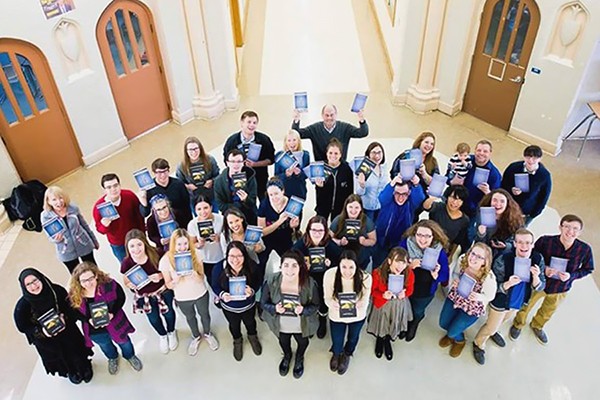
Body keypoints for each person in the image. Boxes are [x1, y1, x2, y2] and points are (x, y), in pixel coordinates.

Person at [510, 214, 594, 344]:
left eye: (575, 229)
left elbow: (588, 269)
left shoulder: (584, 249)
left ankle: (537, 325)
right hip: (539, 283)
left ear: (580, 232)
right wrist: (544, 269)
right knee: (526, 305)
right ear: (560, 227)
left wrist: (571, 276)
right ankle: (518, 324)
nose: (570, 232)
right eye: (567, 227)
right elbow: (531, 256)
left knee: (548, 310)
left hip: (561, 288)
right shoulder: (545, 241)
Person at [472, 228, 545, 365]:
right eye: (520, 242)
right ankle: (479, 343)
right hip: (501, 300)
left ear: (533, 244)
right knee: (491, 326)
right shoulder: (503, 259)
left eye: (528, 243)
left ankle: (492, 333)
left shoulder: (537, 259)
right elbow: (491, 285)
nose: (524, 246)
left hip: (519, 301)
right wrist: (507, 284)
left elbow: (541, 286)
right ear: (515, 244)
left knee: (505, 320)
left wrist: (536, 277)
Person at [14, 268, 93, 384]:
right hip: (47, 340)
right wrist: (42, 332)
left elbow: (70, 307)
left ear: (41, 278)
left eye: (35, 280)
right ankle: (71, 372)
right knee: (61, 357)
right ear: (24, 287)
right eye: (28, 284)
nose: (34, 286)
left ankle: (85, 367)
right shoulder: (23, 306)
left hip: (67, 331)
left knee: (76, 350)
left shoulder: (56, 291)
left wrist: (68, 317)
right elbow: (23, 327)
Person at [69, 262, 142, 374]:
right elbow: (74, 312)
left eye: (91, 278)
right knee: (105, 346)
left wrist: (112, 313)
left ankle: (130, 356)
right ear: (78, 281)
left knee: (124, 342)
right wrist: (87, 320)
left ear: (96, 275)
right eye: (84, 281)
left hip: (115, 323)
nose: (88, 283)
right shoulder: (75, 294)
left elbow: (121, 298)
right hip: (95, 330)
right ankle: (112, 358)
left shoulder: (109, 284)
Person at [159, 229, 219, 356]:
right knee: (190, 317)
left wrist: (195, 275)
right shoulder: (165, 260)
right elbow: (168, 285)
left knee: (205, 315)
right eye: (179, 244)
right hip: (182, 297)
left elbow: (202, 277)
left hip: (200, 293)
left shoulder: (197, 254)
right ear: (173, 244)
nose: (182, 248)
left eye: (185, 244)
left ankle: (208, 333)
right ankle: (196, 336)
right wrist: (175, 281)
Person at [260, 250, 320, 378]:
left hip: (301, 325)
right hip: (280, 324)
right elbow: (263, 303)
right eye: (286, 265)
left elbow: (315, 305)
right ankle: (287, 356)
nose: (289, 270)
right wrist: (274, 308)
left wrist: (304, 310)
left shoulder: (309, 283)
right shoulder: (271, 281)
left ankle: (299, 358)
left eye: (294, 265)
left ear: (300, 267)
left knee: (303, 343)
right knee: (283, 342)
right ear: (281, 267)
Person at [120, 229, 178, 354]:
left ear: (145, 243)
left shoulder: (157, 253)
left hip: (163, 291)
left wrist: (160, 276)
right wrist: (131, 285)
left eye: (139, 244)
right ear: (127, 247)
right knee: (153, 318)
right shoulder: (126, 263)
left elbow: (171, 269)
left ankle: (172, 331)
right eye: (132, 246)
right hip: (145, 296)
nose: (136, 249)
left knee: (169, 313)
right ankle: (162, 335)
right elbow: (125, 280)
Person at [438, 243, 496, 358]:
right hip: (456, 297)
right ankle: (452, 334)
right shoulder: (462, 260)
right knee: (443, 322)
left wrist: (479, 297)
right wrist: (455, 280)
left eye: (479, 257)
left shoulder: (488, 278)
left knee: (454, 330)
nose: (473, 258)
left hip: (472, 307)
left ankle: (458, 340)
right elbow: (454, 273)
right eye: (473, 253)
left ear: (485, 262)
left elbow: (490, 296)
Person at [211, 241, 263, 361]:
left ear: (244, 255)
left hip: (247, 306)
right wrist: (222, 294)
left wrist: (252, 291)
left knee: (250, 322)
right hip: (229, 307)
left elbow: (258, 282)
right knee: (234, 325)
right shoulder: (219, 267)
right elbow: (214, 285)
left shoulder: (252, 266)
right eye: (232, 256)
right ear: (227, 256)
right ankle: (237, 341)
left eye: (239, 256)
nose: (235, 260)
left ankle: (252, 337)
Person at [399, 220, 450, 341]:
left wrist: (436, 275)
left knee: (417, 311)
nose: (423, 239)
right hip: (406, 287)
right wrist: (409, 266)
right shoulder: (405, 245)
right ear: (414, 234)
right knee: (405, 308)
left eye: (427, 236)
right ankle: (403, 325)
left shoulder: (439, 251)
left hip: (425, 291)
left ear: (433, 237)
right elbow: (393, 265)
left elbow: (445, 275)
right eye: (419, 235)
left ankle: (414, 324)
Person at [323, 250, 372, 375]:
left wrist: (360, 305)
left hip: (357, 316)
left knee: (353, 337)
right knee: (337, 338)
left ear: (356, 266)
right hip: (337, 315)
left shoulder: (365, 277)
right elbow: (327, 298)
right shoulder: (330, 275)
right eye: (343, 267)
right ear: (339, 265)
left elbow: (365, 301)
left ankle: (347, 354)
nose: (347, 271)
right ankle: (336, 353)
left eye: (351, 267)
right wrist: (332, 304)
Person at [293, 216, 342, 339]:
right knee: (308, 300)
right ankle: (310, 321)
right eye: (313, 230)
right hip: (307, 278)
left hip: (324, 278)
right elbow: (291, 258)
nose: (317, 233)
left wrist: (330, 264)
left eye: (320, 230)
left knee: (322, 300)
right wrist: (302, 265)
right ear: (308, 230)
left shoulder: (330, 245)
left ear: (325, 231)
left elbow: (341, 262)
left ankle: (322, 319)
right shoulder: (302, 244)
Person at [367, 247, 414, 360]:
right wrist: (382, 295)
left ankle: (387, 340)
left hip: (398, 304)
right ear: (389, 261)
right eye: (397, 261)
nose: (400, 266)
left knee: (393, 322)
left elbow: (410, 288)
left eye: (403, 263)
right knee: (381, 322)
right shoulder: (377, 273)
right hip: (382, 304)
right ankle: (380, 339)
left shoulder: (409, 273)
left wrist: (405, 293)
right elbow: (372, 291)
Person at [41, 186, 98, 274]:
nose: (59, 202)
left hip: (84, 244)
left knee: (93, 271)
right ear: (48, 201)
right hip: (66, 251)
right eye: (54, 199)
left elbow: (84, 225)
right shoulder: (45, 216)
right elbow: (49, 236)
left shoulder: (73, 208)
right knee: (76, 275)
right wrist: (56, 240)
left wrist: (94, 241)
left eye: (61, 198)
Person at [372, 175, 425, 267]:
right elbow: (382, 198)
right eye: (397, 193)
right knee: (378, 265)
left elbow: (420, 198)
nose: (400, 198)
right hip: (382, 241)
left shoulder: (411, 203)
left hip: (400, 242)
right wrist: (392, 184)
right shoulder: (387, 202)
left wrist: (417, 184)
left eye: (404, 194)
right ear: (393, 192)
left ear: (409, 193)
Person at [223, 111, 275, 201]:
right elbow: (226, 160)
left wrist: (255, 164)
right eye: (249, 122)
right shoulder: (232, 141)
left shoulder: (264, 139)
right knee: (245, 203)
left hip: (260, 178)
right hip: (240, 179)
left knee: (264, 201)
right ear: (242, 123)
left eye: (254, 123)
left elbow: (271, 159)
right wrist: (238, 165)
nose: (252, 125)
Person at [93, 173, 145, 263]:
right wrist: (104, 225)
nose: (113, 189)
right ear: (104, 190)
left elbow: (139, 216)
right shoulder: (99, 207)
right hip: (119, 244)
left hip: (136, 237)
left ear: (119, 185)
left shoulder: (130, 196)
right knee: (129, 268)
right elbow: (100, 229)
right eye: (109, 187)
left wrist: (142, 234)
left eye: (115, 185)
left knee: (145, 261)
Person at [292, 104, 368, 162]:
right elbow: (297, 134)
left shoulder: (345, 128)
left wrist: (361, 119)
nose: (329, 118)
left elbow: (363, 133)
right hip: (321, 170)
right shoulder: (314, 129)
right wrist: (296, 120)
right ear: (322, 115)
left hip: (341, 168)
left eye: (332, 115)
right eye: (326, 115)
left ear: (336, 114)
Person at [451, 140, 501, 224]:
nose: (481, 153)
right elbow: (448, 178)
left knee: (465, 234)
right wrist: (454, 179)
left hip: (472, 211)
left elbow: (496, 197)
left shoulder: (494, 174)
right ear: (474, 151)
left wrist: (488, 192)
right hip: (453, 203)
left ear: (490, 153)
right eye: (479, 150)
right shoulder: (464, 160)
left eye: (485, 151)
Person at [501, 145, 552, 226]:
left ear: (540, 159)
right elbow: (503, 185)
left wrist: (533, 215)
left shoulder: (544, 175)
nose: (531, 160)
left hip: (526, 213)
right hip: (508, 208)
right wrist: (511, 189)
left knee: (518, 232)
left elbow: (544, 197)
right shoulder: (513, 167)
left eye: (534, 158)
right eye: (528, 157)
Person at [258, 178, 300, 266]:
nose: (274, 197)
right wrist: (280, 221)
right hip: (268, 238)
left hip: (285, 237)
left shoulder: (293, 204)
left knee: (292, 260)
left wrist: (294, 227)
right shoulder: (264, 205)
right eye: (271, 195)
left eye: (276, 193)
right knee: (260, 262)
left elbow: (296, 231)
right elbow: (262, 232)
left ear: (283, 191)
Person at [139, 158, 192, 226]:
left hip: (181, 222)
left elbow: (187, 207)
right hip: (162, 225)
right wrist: (144, 202)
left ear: (168, 170)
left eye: (165, 171)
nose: (163, 175)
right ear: (154, 173)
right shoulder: (149, 189)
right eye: (159, 172)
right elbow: (144, 213)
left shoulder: (178, 184)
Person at [422, 185, 471, 258]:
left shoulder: (464, 220)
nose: (454, 202)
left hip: (444, 250)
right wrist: (433, 198)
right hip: (427, 245)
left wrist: (451, 256)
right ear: (447, 197)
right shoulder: (439, 207)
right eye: (452, 197)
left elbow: (457, 241)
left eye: (459, 200)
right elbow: (426, 207)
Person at [330, 194, 376, 270]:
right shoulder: (338, 220)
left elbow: (373, 240)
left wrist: (365, 241)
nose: (353, 210)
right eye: (350, 207)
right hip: (342, 252)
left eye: (357, 207)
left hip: (360, 254)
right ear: (346, 207)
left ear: (361, 208)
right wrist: (339, 242)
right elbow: (329, 238)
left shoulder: (367, 221)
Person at [187, 195, 225, 287]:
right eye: (199, 209)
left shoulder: (221, 219)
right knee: (212, 281)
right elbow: (192, 244)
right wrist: (199, 244)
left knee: (223, 279)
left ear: (211, 207)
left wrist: (219, 239)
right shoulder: (192, 224)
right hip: (205, 259)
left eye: (206, 208)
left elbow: (229, 237)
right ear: (195, 210)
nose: (203, 212)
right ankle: (217, 297)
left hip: (221, 256)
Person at [475, 188, 524, 258]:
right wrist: (481, 234)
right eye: (495, 200)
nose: (498, 204)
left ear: (507, 204)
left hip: (502, 255)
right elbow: (478, 242)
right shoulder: (483, 214)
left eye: (502, 201)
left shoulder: (516, 220)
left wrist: (506, 245)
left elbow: (519, 243)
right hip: (483, 252)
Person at [221, 208, 266, 283]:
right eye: (231, 222)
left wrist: (259, 248)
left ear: (241, 219)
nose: (234, 225)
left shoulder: (251, 231)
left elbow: (262, 247)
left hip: (252, 266)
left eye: (237, 221)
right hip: (235, 269)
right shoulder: (225, 236)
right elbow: (225, 254)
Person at [214, 148, 259, 224]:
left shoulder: (250, 177)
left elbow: (253, 202)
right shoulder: (219, 181)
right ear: (227, 163)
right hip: (230, 218)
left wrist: (246, 199)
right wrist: (237, 207)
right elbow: (220, 205)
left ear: (243, 162)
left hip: (249, 216)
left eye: (239, 161)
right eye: (232, 161)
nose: (236, 164)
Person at [315, 138, 354, 221]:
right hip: (323, 207)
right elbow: (318, 192)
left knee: (337, 231)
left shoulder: (347, 169)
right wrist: (320, 187)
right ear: (326, 153)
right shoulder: (320, 168)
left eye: (336, 153)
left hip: (340, 209)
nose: (333, 156)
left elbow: (350, 191)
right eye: (330, 153)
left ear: (340, 155)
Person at [176, 136, 220, 208]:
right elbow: (179, 183)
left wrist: (212, 181)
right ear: (186, 151)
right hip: (194, 198)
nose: (194, 152)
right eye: (190, 149)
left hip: (210, 196)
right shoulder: (181, 166)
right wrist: (188, 186)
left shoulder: (210, 160)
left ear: (200, 148)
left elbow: (218, 176)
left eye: (196, 148)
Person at [354, 141, 389, 222]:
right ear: (368, 155)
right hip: (367, 208)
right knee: (368, 231)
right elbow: (359, 192)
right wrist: (362, 184)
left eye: (379, 152)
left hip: (381, 206)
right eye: (373, 153)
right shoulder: (363, 169)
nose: (377, 156)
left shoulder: (384, 167)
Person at [274, 129, 310, 201]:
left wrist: (299, 173)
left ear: (299, 141)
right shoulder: (280, 155)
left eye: (294, 140)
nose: (292, 143)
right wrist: (286, 174)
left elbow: (307, 174)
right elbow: (276, 176)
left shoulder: (305, 155)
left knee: (298, 211)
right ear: (285, 142)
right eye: (289, 140)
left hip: (300, 191)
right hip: (284, 191)